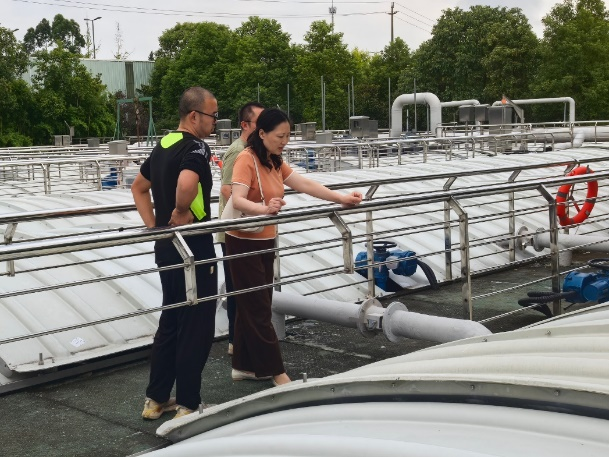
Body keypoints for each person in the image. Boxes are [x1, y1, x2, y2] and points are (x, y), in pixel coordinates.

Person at [225, 108, 363, 386]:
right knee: (258, 308)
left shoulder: (274, 160)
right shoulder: (246, 159)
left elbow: (303, 183)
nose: (285, 141)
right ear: (262, 133)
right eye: (280, 136)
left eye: (288, 135)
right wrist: (264, 209)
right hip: (243, 241)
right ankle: (278, 373)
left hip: (264, 238)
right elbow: (237, 199)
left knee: (254, 302)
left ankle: (243, 365)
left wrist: (341, 198)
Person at [131, 86, 218, 420]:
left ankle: (156, 400)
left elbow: (138, 188)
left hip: (167, 247)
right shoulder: (196, 146)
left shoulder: (163, 144)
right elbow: (186, 183)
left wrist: (156, 227)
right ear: (194, 116)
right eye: (212, 115)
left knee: (171, 320)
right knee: (196, 324)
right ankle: (188, 404)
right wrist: (181, 211)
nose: (214, 122)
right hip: (194, 248)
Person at [217, 102, 264, 356]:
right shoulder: (238, 150)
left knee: (246, 286)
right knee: (237, 288)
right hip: (236, 229)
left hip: (247, 227)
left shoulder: (254, 150)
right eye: (260, 123)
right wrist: (254, 208)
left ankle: (244, 340)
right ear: (245, 125)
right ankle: (236, 342)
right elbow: (227, 189)